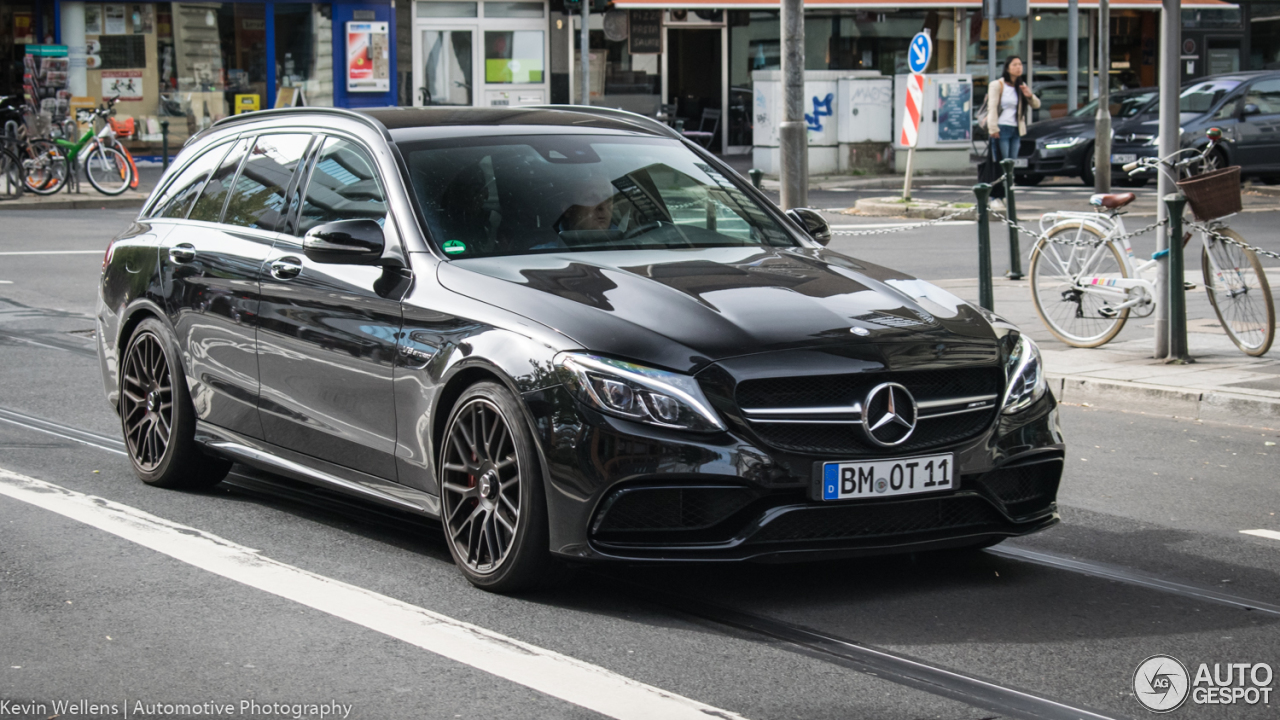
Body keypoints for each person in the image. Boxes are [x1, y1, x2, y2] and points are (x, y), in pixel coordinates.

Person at [986, 56, 1041, 164]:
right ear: (1007, 68)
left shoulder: (1021, 86)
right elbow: (991, 107)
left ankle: (1010, 181)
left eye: (1020, 64)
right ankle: (1003, 181)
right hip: (1002, 128)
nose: (1018, 67)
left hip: (1016, 128)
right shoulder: (997, 85)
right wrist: (993, 128)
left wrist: (1029, 95)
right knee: (1003, 161)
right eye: (1014, 65)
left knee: (1013, 161)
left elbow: (1036, 105)